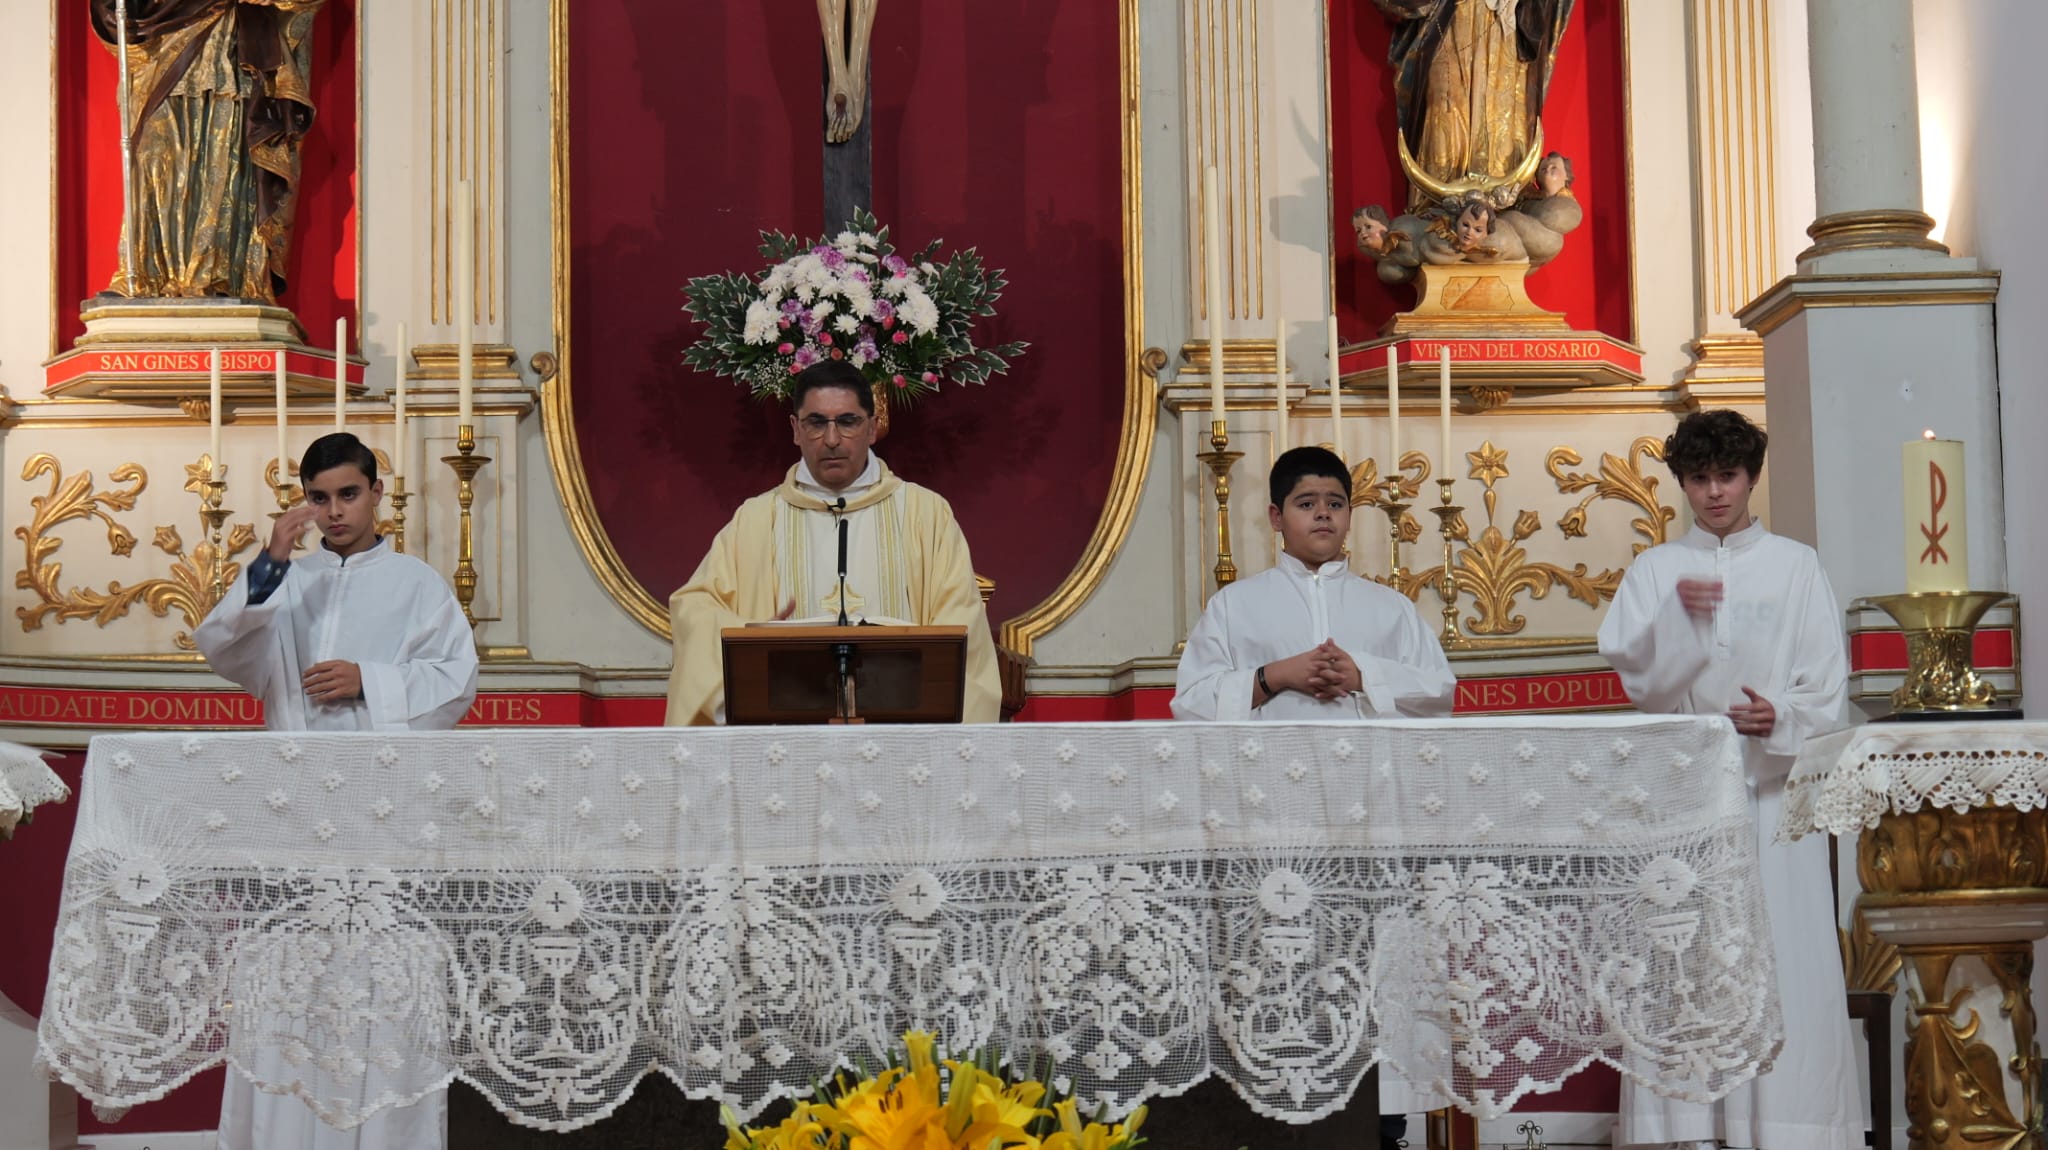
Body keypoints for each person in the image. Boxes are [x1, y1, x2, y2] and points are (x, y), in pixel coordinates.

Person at [195, 431, 475, 1148]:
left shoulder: (417, 584)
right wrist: (270, 562)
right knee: (292, 987)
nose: (334, 510)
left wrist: (369, 681)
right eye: (318, 498)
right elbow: (225, 647)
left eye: (348, 494)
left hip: (384, 808)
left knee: (383, 989)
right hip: (296, 806)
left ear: (378, 493)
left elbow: (456, 681)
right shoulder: (284, 581)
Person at [1597, 410, 1864, 1150]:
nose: (1715, 493)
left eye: (1729, 476)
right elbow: (1639, 683)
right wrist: (1679, 626)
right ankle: (1680, 1131)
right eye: (1700, 478)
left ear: (1752, 477)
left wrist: (1778, 713)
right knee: (1682, 959)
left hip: (1772, 794)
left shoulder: (1795, 564)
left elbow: (1829, 690)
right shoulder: (1656, 570)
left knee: (1784, 955)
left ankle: (1791, 1129)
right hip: (1681, 797)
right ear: (1681, 481)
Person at [664, 360, 1002, 725]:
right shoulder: (758, 519)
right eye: (816, 423)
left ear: (872, 427)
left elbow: (961, 627)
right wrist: (750, 638)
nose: (831, 439)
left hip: (902, 734)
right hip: (786, 733)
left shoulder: (926, 514)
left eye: (847, 421)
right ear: (795, 429)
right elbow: (694, 607)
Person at [1172, 445, 1455, 722]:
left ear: (1349, 517)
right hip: (1270, 763)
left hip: (1368, 763)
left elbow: (1439, 693)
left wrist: (1362, 675)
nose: (1323, 513)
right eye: (1306, 504)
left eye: (1335, 504)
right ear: (1276, 517)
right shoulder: (1232, 604)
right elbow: (1192, 703)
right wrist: (1275, 675)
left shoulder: (1392, 607)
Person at [90, 0, 329, 300]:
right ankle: (143, 275)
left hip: (227, 45)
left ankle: (217, 275)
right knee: (153, 156)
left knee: (222, 160)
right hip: (160, 45)